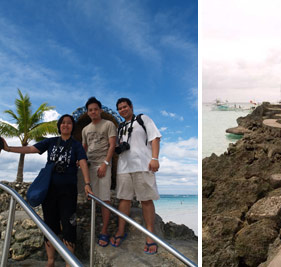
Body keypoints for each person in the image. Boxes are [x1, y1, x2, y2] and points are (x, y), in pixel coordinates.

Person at [1, 114, 93, 267]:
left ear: (72, 127)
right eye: (63, 123)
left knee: (69, 226)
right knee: (50, 225)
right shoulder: (50, 142)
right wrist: (8, 148)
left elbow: (83, 162)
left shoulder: (76, 145)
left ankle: (69, 263)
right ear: (59, 126)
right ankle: (50, 261)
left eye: (69, 123)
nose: (66, 125)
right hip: (50, 191)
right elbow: (31, 149)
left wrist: (87, 183)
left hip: (68, 192)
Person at [110, 97, 161, 254]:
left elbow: (155, 138)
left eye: (125, 107)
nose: (122, 110)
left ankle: (150, 234)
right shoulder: (120, 127)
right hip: (124, 167)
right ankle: (120, 230)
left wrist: (154, 158)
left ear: (131, 107)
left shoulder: (142, 119)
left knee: (145, 199)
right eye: (120, 108)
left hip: (143, 165)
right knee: (124, 199)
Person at [81, 97, 117, 247]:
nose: (93, 112)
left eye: (96, 109)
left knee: (105, 199)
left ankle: (104, 231)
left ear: (100, 110)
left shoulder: (108, 124)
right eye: (90, 110)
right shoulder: (85, 129)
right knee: (92, 197)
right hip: (89, 165)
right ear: (87, 112)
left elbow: (112, 145)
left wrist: (106, 163)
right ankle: (92, 228)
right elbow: (84, 148)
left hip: (103, 164)